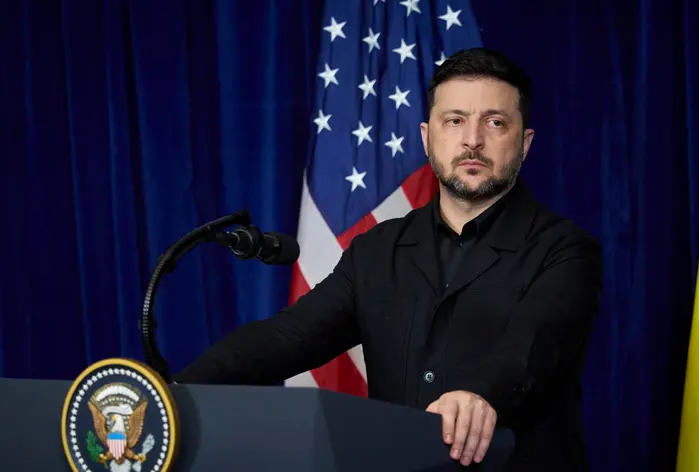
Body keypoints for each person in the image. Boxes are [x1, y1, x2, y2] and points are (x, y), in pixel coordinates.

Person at [174, 47, 603, 471]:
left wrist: (479, 395)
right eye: (454, 120)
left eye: (495, 122)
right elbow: (287, 337)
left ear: (525, 143)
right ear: (426, 137)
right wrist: (174, 392)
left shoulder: (565, 250)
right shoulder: (377, 250)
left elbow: (530, 346)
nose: (472, 140)